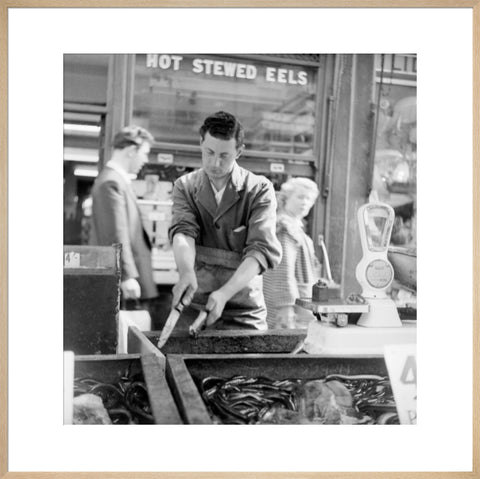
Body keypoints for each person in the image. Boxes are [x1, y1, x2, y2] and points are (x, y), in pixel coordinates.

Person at [168, 111, 282, 330]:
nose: (215, 163)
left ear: (239, 152)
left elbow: (260, 250)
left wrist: (224, 294)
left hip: (243, 309)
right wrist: (185, 271)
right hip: (193, 303)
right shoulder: (186, 186)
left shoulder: (258, 189)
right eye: (209, 152)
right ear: (201, 143)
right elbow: (183, 233)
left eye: (224, 155)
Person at [90, 125, 157, 304]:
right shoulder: (111, 183)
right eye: (144, 153)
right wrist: (126, 276)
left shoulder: (116, 181)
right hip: (123, 282)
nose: (145, 159)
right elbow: (115, 233)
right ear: (131, 151)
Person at [263, 177, 321, 329]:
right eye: (300, 197)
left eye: (309, 199)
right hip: (289, 307)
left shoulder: (294, 226)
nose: (305, 202)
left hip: (299, 303)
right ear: (286, 198)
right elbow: (283, 269)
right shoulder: (284, 227)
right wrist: (286, 307)